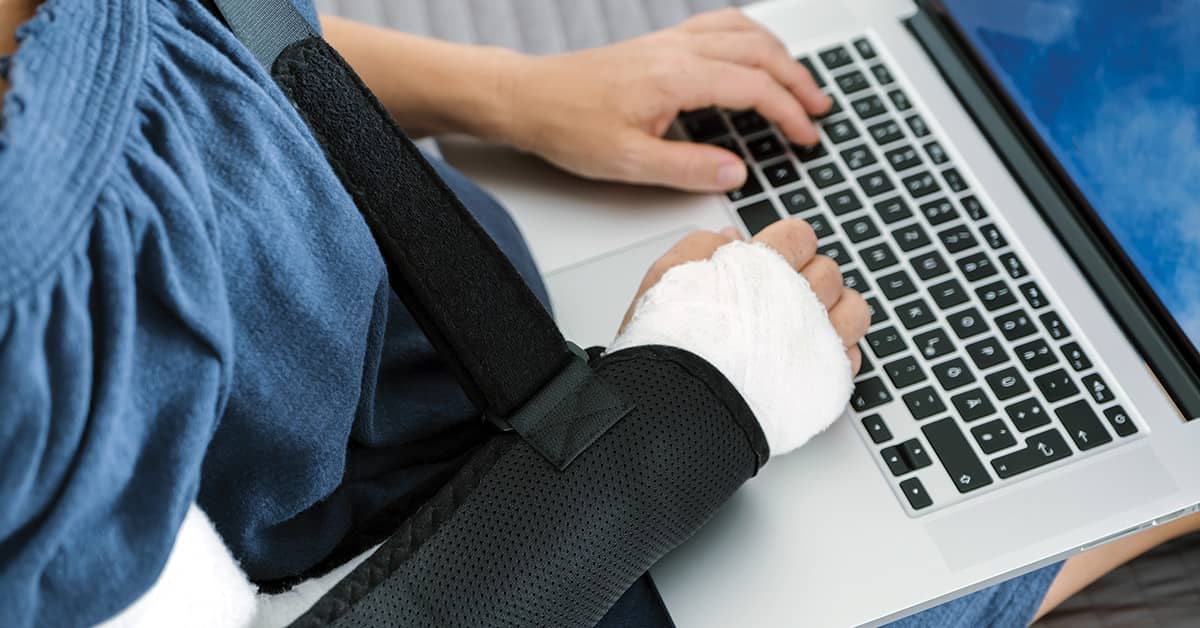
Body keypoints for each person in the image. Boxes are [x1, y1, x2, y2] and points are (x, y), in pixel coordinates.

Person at [0, 1, 1195, 626]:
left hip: (502, 342)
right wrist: (688, 401)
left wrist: (515, 95)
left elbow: (194, 37)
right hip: (450, 557)